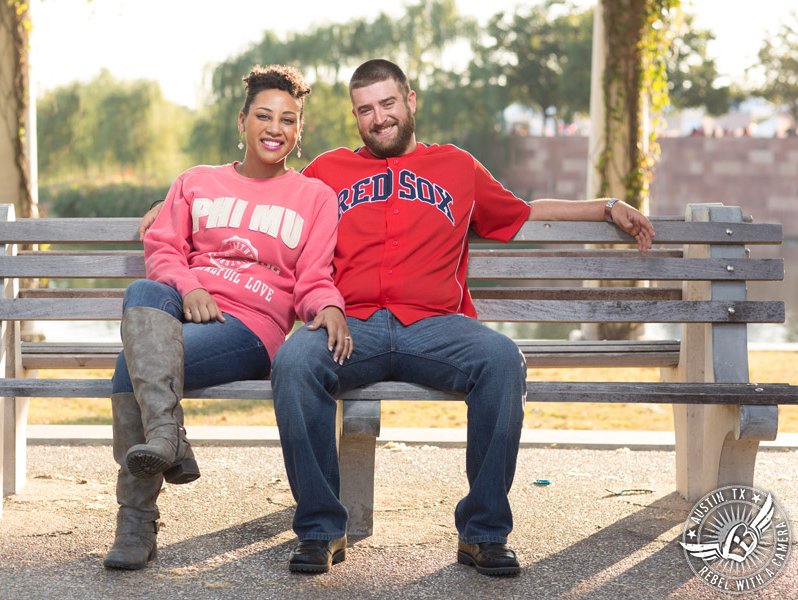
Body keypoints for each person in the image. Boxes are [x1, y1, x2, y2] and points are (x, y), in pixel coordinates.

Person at [139, 59, 655, 576]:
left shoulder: (457, 166)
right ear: (355, 117)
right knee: (296, 362)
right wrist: (171, 205)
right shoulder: (327, 172)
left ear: (410, 101)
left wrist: (606, 206)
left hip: (436, 327)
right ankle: (321, 528)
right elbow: (261, 182)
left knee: (503, 360)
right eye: (365, 109)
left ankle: (483, 533)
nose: (378, 117)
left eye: (387, 104)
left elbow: (523, 211)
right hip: (351, 326)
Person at [104, 64, 351, 571]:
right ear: (242, 121)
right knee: (142, 289)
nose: (275, 128)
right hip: (182, 310)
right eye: (264, 115)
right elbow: (163, 250)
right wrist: (191, 287)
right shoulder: (197, 182)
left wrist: (327, 306)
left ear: (299, 130)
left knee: (132, 368)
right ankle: (168, 442)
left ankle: (136, 519)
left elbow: (313, 275)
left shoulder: (314, 198)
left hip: (249, 328)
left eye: (288, 119)